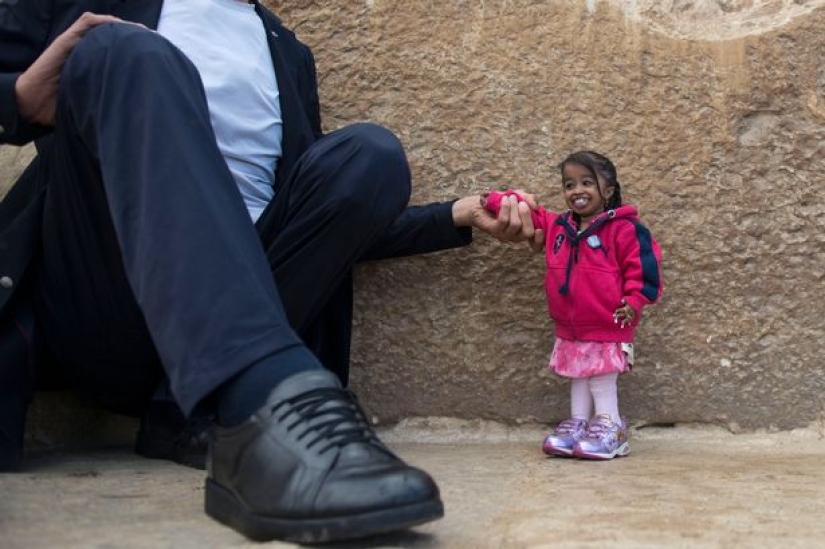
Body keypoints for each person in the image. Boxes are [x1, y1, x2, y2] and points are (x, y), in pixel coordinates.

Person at [0, 1, 543, 543]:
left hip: (228, 328)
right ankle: (261, 398)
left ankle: (211, 408)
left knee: (370, 155)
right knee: (124, 49)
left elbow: (315, 230)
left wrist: (455, 215)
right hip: (105, 303)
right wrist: (19, 99)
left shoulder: (287, 52)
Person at [483, 151, 662, 460]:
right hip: (570, 324)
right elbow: (529, 211)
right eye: (569, 184)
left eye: (587, 182)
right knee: (579, 373)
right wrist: (497, 200)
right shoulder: (559, 226)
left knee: (602, 375)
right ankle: (578, 423)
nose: (577, 190)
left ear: (607, 190)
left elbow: (644, 268)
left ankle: (611, 426)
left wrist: (634, 301)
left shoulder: (626, 229)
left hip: (609, 321)